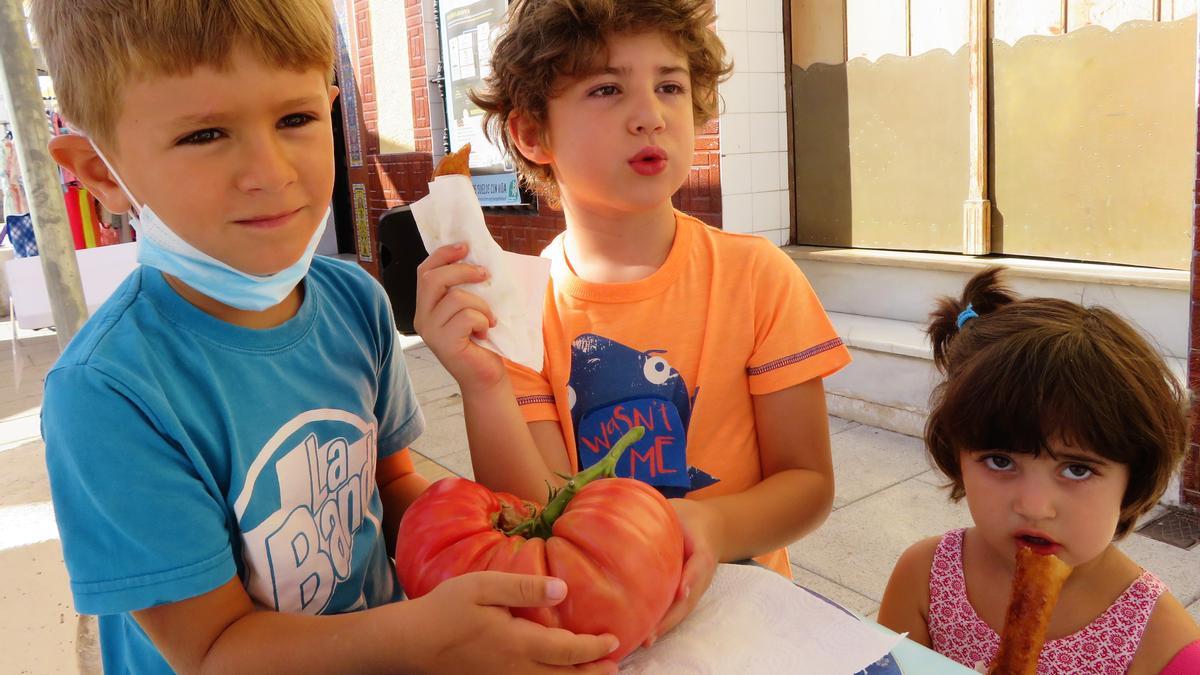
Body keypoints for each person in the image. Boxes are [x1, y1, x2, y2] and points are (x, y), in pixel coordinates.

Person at [35, 1, 619, 672]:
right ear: (102, 171)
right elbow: (212, 650)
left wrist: (502, 558)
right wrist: (429, 637)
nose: (271, 170)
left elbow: (391, 485)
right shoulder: (109, 393)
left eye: (295, 119)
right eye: (204, 135)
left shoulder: (353, 302)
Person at [414, 0, 851, 645]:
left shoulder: (758, 277)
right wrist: (483, 385)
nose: (650, 116)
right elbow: (537, 515)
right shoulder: (515, 308)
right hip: (592, 629)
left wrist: (710, 527)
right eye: (607, 89)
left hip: (743, 614)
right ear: (533, 133)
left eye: (670, 86)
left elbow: (808, 484)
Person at [876, 268, 1200, 674]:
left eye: (1078, 469)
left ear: (1133, 479)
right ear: (956, 457)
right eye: (1000, 461)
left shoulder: (1164, 645)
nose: (1034, 506)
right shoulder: (925, 577)